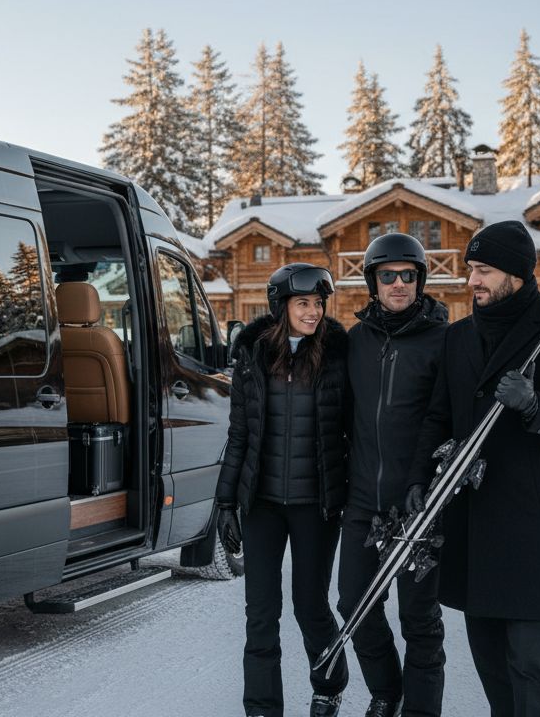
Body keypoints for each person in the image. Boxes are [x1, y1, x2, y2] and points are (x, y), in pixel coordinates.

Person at [409, 220, 540, 716]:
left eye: (484, 270)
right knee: (491, 663)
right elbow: (438, 415)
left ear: (517, 274)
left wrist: (535, 405)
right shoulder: (457, 338)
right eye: (470, 270)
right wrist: (418, 478)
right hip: (473, 526)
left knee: (531, 665)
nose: (472, 281)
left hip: (532, 530)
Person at [217, 262, 351, 717]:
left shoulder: (338, 355)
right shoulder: (253, 358)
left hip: (317, 504)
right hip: (263, 505)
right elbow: (239, 435)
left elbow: (354, 431)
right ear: (281, 307)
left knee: (310, 606)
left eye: (318, 303)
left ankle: (328, 684)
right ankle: (261, 707)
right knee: (261, 614)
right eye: (303, 304)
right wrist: (224, 501)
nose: (313, 312)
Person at [340, 233, 449, 717]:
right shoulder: (356, 341)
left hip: (419, 503)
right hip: (364, 500)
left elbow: (452, 418)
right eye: (389, 275)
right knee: (354, 605)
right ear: (373, 282)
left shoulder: (444, 341)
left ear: (421, 280)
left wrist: (428, 484)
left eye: (409, 274)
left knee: (418, 620)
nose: (399, 283)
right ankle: (386, 691)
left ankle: (420, 711)